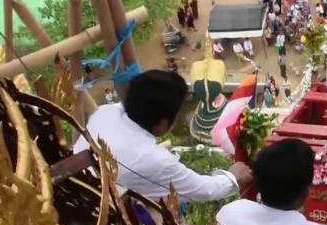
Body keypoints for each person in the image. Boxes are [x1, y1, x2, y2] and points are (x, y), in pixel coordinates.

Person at [73, 70, 252, 203]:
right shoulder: (156, 159)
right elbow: (203, 190)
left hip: (73, 184)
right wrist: (232, 176)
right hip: (98, 210)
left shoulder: (105, 112)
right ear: (163, 124)